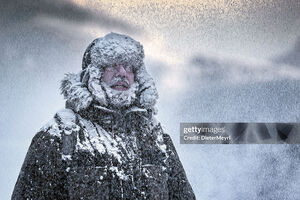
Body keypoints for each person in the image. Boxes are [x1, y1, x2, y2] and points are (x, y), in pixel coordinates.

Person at [12, 33, 195, 199]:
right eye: (112, 65)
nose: (122, 72)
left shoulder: (155, 137)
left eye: (129, 67)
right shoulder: (59, 135)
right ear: (93, 74)